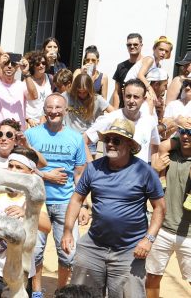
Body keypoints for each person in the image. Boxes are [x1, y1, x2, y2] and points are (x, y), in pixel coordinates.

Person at [61, 118, 165, 298]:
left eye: (116, 140)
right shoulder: (93, 168)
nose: (110, 143)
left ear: (130, 145)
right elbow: (77, 199)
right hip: (94, 245)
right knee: (81, 294)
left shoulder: (144, 171)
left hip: (130, 249)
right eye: (107, 139)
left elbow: (159, 208)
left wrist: (148, 239)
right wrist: (68, 231)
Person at [25, 93, 87, 296]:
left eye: (58, 107)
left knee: (68, 255)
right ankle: (36, 291)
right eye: (50, 107)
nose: (54, 111)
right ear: (44, 110)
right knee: (35, 253)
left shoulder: (76, 139)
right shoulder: (31, 135)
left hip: (66, 203)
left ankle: (61, 291)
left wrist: (85, 205)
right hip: (37, 202)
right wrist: (46, 175)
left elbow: (79, 175)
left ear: (65, 110)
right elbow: (22, 168)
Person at [0, 147, 51, 298]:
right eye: (10, 165)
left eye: (19, 167)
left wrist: (28, 213)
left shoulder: (34, 198)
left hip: (23, 270)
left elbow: (47, 227)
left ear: (31, 173)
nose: (13, 170)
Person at [146, 126, 191, 297]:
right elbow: (162, 145)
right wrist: (157, 171)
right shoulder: (168, 157)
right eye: (183, 132)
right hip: (162, 229)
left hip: (189, 235)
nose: (186, 136)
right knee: (152, 276)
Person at [85, 78, 160, 163]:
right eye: (128, 96)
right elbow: (83, 141)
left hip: (139, 174)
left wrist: (153, 170)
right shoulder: (110, 118)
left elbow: (155, 145)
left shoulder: (149, 121)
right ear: (123, 96)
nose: (131, 101)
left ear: (144, 99)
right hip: (112, 174)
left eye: (136, 97)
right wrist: (91, 166)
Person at [63, 74, 113, 158]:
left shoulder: (97, 99)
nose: (82, 95)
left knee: (89, 168)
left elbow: (114, 113)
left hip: (88, 139)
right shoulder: (67, 96)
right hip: (69, 138)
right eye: (79, 92)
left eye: (85, 92)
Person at [0, 53, 37, 135]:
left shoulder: (21, 85)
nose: (10, 66)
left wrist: (26, 72)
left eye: (13, 64)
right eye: (6, 63)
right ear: (2, 66)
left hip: (17, 135)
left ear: (17, 67)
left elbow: (34, 96)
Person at [124, 36, 173, 100]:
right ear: (154, 48)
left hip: (137, 86)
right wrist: (150, 89)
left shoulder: (158, 66)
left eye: (166, 51)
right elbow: (140, 75)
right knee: (150, 99)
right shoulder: (150, 59)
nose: (163, 53)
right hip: (129, 86)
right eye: (161, 49)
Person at [112, 33, 143, 109]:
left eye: (135, 44)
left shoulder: (146, 65)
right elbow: (117, 91)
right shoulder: (121, 66)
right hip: (124, 110)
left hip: (141, 111)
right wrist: (116, 111)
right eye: (129, 45)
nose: (132, 47)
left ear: (141, 45)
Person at [25, 51, 53, 127]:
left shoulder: (50, 78)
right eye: (37, 64)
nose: (41, 66)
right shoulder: (27, 81)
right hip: (32, 123)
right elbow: (21, 102)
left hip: (47, 121)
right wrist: (28, 119)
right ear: (32, 66)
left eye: (43, 63)